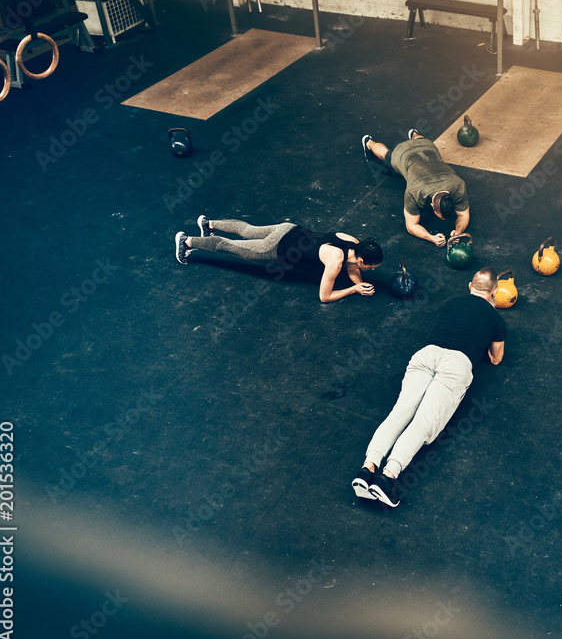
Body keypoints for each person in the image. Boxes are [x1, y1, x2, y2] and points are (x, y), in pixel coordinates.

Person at [352, 268, 507, 508]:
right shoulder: (495, 318)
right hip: (457, 364)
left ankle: (367, 470)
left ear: (469, 286)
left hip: (426, 355)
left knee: (400, 412)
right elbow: (496, 359)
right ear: (494, 291)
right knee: (424, 422)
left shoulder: (448, 303)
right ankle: (387, 479)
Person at [174, 216, 382, 303]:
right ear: (363, 260)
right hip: (275, 247)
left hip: (289, 229)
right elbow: (324, 297)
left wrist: (359, 282)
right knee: (231, 247)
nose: (371, 270)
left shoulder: (352, 241)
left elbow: (353, 267)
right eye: (370, 267)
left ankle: (208, 224)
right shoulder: (335, 260)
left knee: (248, 230)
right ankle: (188, 241)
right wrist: (353, 289)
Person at [362, 130, 470, 247]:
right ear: (432, 206)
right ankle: (368, 142)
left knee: (421, 141)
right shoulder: (415, 192)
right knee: (386, 155)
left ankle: (414, 134)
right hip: (403, 153)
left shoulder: (458, 184)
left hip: (426, 145)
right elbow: (411, 226)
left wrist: (458, 232)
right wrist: (431, 238)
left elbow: (463, 215)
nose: (443, 221)